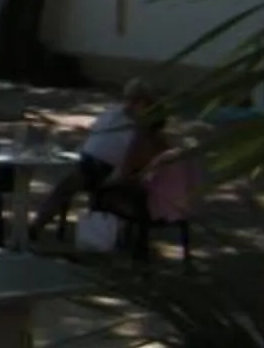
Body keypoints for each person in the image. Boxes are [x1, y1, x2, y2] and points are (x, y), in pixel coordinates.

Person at [34, 80, 168, 235]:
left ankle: (38, 226)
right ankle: (40, 223)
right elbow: (93, 124)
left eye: (136, 101)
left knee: (71, 182)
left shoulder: (147, 129)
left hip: (112, 172)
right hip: (90, 162)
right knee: (66, 176)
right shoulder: (116, 112)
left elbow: (142, 161)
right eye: (128, 99)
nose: (129, 104)